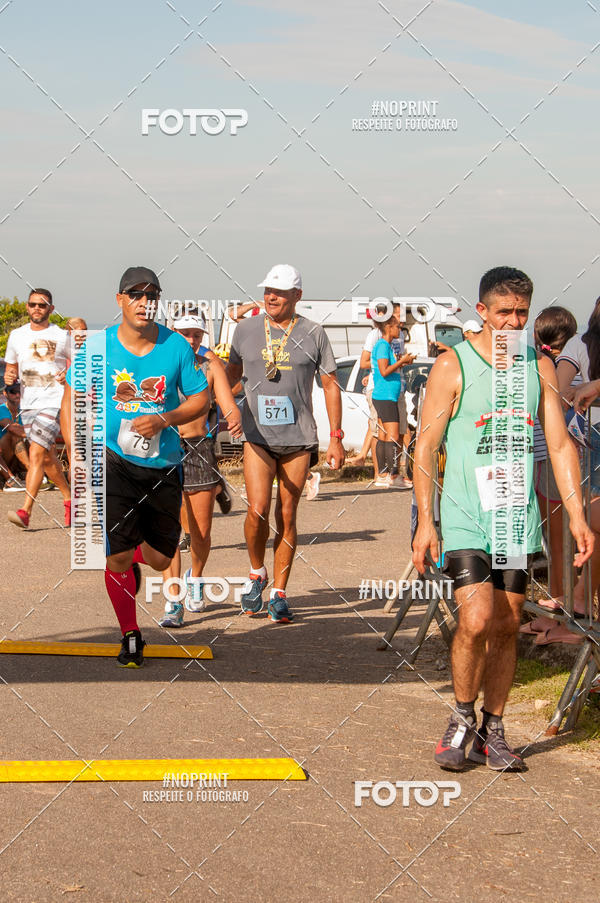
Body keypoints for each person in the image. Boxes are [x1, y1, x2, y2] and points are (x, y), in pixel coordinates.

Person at [413, 266, 594, 772]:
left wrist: (577, 516)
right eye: (504, 312)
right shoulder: (455, 364)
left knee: (508, 622)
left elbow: (558, 444)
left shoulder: (537, 365)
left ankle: (493, 728)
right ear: (483, 311)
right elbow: (426, 446)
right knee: (475, 618)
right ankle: (462, 717)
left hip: (515, 516)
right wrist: (426, 522)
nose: (513, 321)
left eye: (522, 312)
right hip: (467, 514)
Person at [61, 266, 209, 667]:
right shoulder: (98, 346)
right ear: (119, 300)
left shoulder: (175, 346)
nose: (145, 303)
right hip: (112, 460)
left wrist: (164, 419)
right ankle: (130, 633)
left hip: (162, 465)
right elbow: (73, 397)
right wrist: (76, 453)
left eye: (151, 296)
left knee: (160, 559)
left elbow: (200, 399)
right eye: (136, 295)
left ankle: (134, 556)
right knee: (117, 557)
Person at [225, 264, 345, 623]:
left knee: (287, 514)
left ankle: (279, 591)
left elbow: (329, 386)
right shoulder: (245, 329)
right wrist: (213, 405)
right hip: (257, 435)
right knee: (257, 509)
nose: (271, 297)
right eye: (267, 291)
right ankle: (255, 573)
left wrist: (336, 437)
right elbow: (229, 379)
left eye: (279, 292)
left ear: (297, 296)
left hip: (298, 438)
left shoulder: (313, 333)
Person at [159, 313, 243, 627]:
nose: (191, 339)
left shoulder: (209, 367)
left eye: (197, 334)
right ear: (173, 333)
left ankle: (196, 577)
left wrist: (233, 415)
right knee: (168, 530)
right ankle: (173, 599)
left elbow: (226, 398)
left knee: (201, 531)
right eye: (185, 333)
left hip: (199, 449)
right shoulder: (159, 364)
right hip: (163, 449)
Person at [520, 307, 578, 643]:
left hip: (551, 461)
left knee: (560, 543)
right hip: (546, 460)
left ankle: (563, 613)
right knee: (556, 542)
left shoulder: (553, 367)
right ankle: (558, 610)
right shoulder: (549, 367)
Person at [5, 288, 72, 528]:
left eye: (42, 305)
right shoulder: (16, 336)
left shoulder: (62, 335)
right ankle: (68, 498)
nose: (37, 309)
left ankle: (25, 511)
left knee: (36, 453)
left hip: (54, 401)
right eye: (33, 304)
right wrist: (10, 375)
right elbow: (11, 366)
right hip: (29, 403)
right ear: (27, 307)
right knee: (46, 457)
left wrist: (68, 374)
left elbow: (77, 363)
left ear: (51, 309)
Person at [371, 309, 414, 489]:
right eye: (397, 326)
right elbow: (384, 370)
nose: (400, 330)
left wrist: (401, 362)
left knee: (384, 435)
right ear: (388, 327)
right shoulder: (382, 345)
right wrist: (401, 361)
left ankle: (383, 474)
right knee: (394, 436)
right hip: (385, 395)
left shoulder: (386, 346)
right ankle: (393, 474)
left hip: (387, 395)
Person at [0, 381, 29, 491]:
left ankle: (37, 475)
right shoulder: (1, 409)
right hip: (3, 456)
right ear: (5, 393)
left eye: (20, 392)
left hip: (14, 458)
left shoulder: (23, 412)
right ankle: (11, 480)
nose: (17, 395)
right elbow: (11, 427)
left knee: (41, 442)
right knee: (14, 434)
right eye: (13, 392)